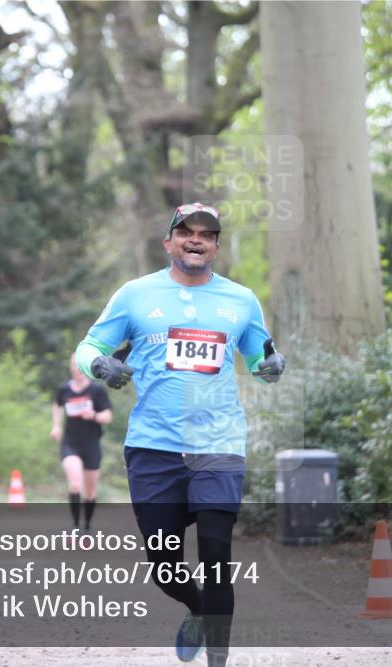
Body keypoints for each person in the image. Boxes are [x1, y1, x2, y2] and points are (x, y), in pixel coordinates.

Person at [75, 203, 285, 667]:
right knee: (165, 567)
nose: (196, 239)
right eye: (185, 231)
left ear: (215, 246)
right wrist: (99, 364)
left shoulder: (240, 300)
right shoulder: (134, 295)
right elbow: (88, 346)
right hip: (154, 448)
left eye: (206, 234)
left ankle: (217, 660)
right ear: (168, 242)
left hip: (219, 445)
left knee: (216, 553)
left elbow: (260, 359)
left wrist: (272, 366)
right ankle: (195, 606)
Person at [50, 353, 113, 533]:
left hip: (91, 445)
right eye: (73, 365)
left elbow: (108, 416)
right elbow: (57, 406)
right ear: (70, 367)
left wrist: (93, 415)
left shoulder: (96, 391)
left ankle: (87, 526)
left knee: (91, 492)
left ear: (86, 368)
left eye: (80, 366)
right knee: (75, 484)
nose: (76, 369)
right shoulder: (64, 390)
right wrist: (56, 427)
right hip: (70, 444)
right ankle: (76, 526)